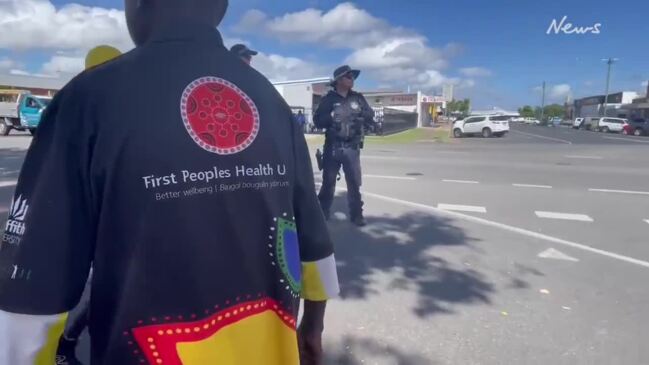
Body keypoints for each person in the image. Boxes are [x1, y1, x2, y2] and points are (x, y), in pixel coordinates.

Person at [0, 1, 339, 364]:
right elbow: (313, 239)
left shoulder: (88, 99)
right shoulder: (271, 101)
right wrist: (313, 326)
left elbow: (33, 285)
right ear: (221, 8)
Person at [55, 45, 123, 365]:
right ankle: (65, 344)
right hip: (88, 215)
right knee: (93, 286)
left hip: (105, 214)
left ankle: (69, 342)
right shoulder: (81, 108)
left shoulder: (86, 104)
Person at [314, 65, 375, 227]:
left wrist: (363, 115)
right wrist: (332, 116)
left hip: (352, 148)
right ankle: (322, 213)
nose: (352, 79)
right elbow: (317, 121)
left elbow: (370, 115)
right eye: (348, 76)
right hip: (333, 147)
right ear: (339, 80)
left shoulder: (358, 98)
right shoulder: (329, 99)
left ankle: (357, 215)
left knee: (354, 183)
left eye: (352, 77)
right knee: (328, 183)